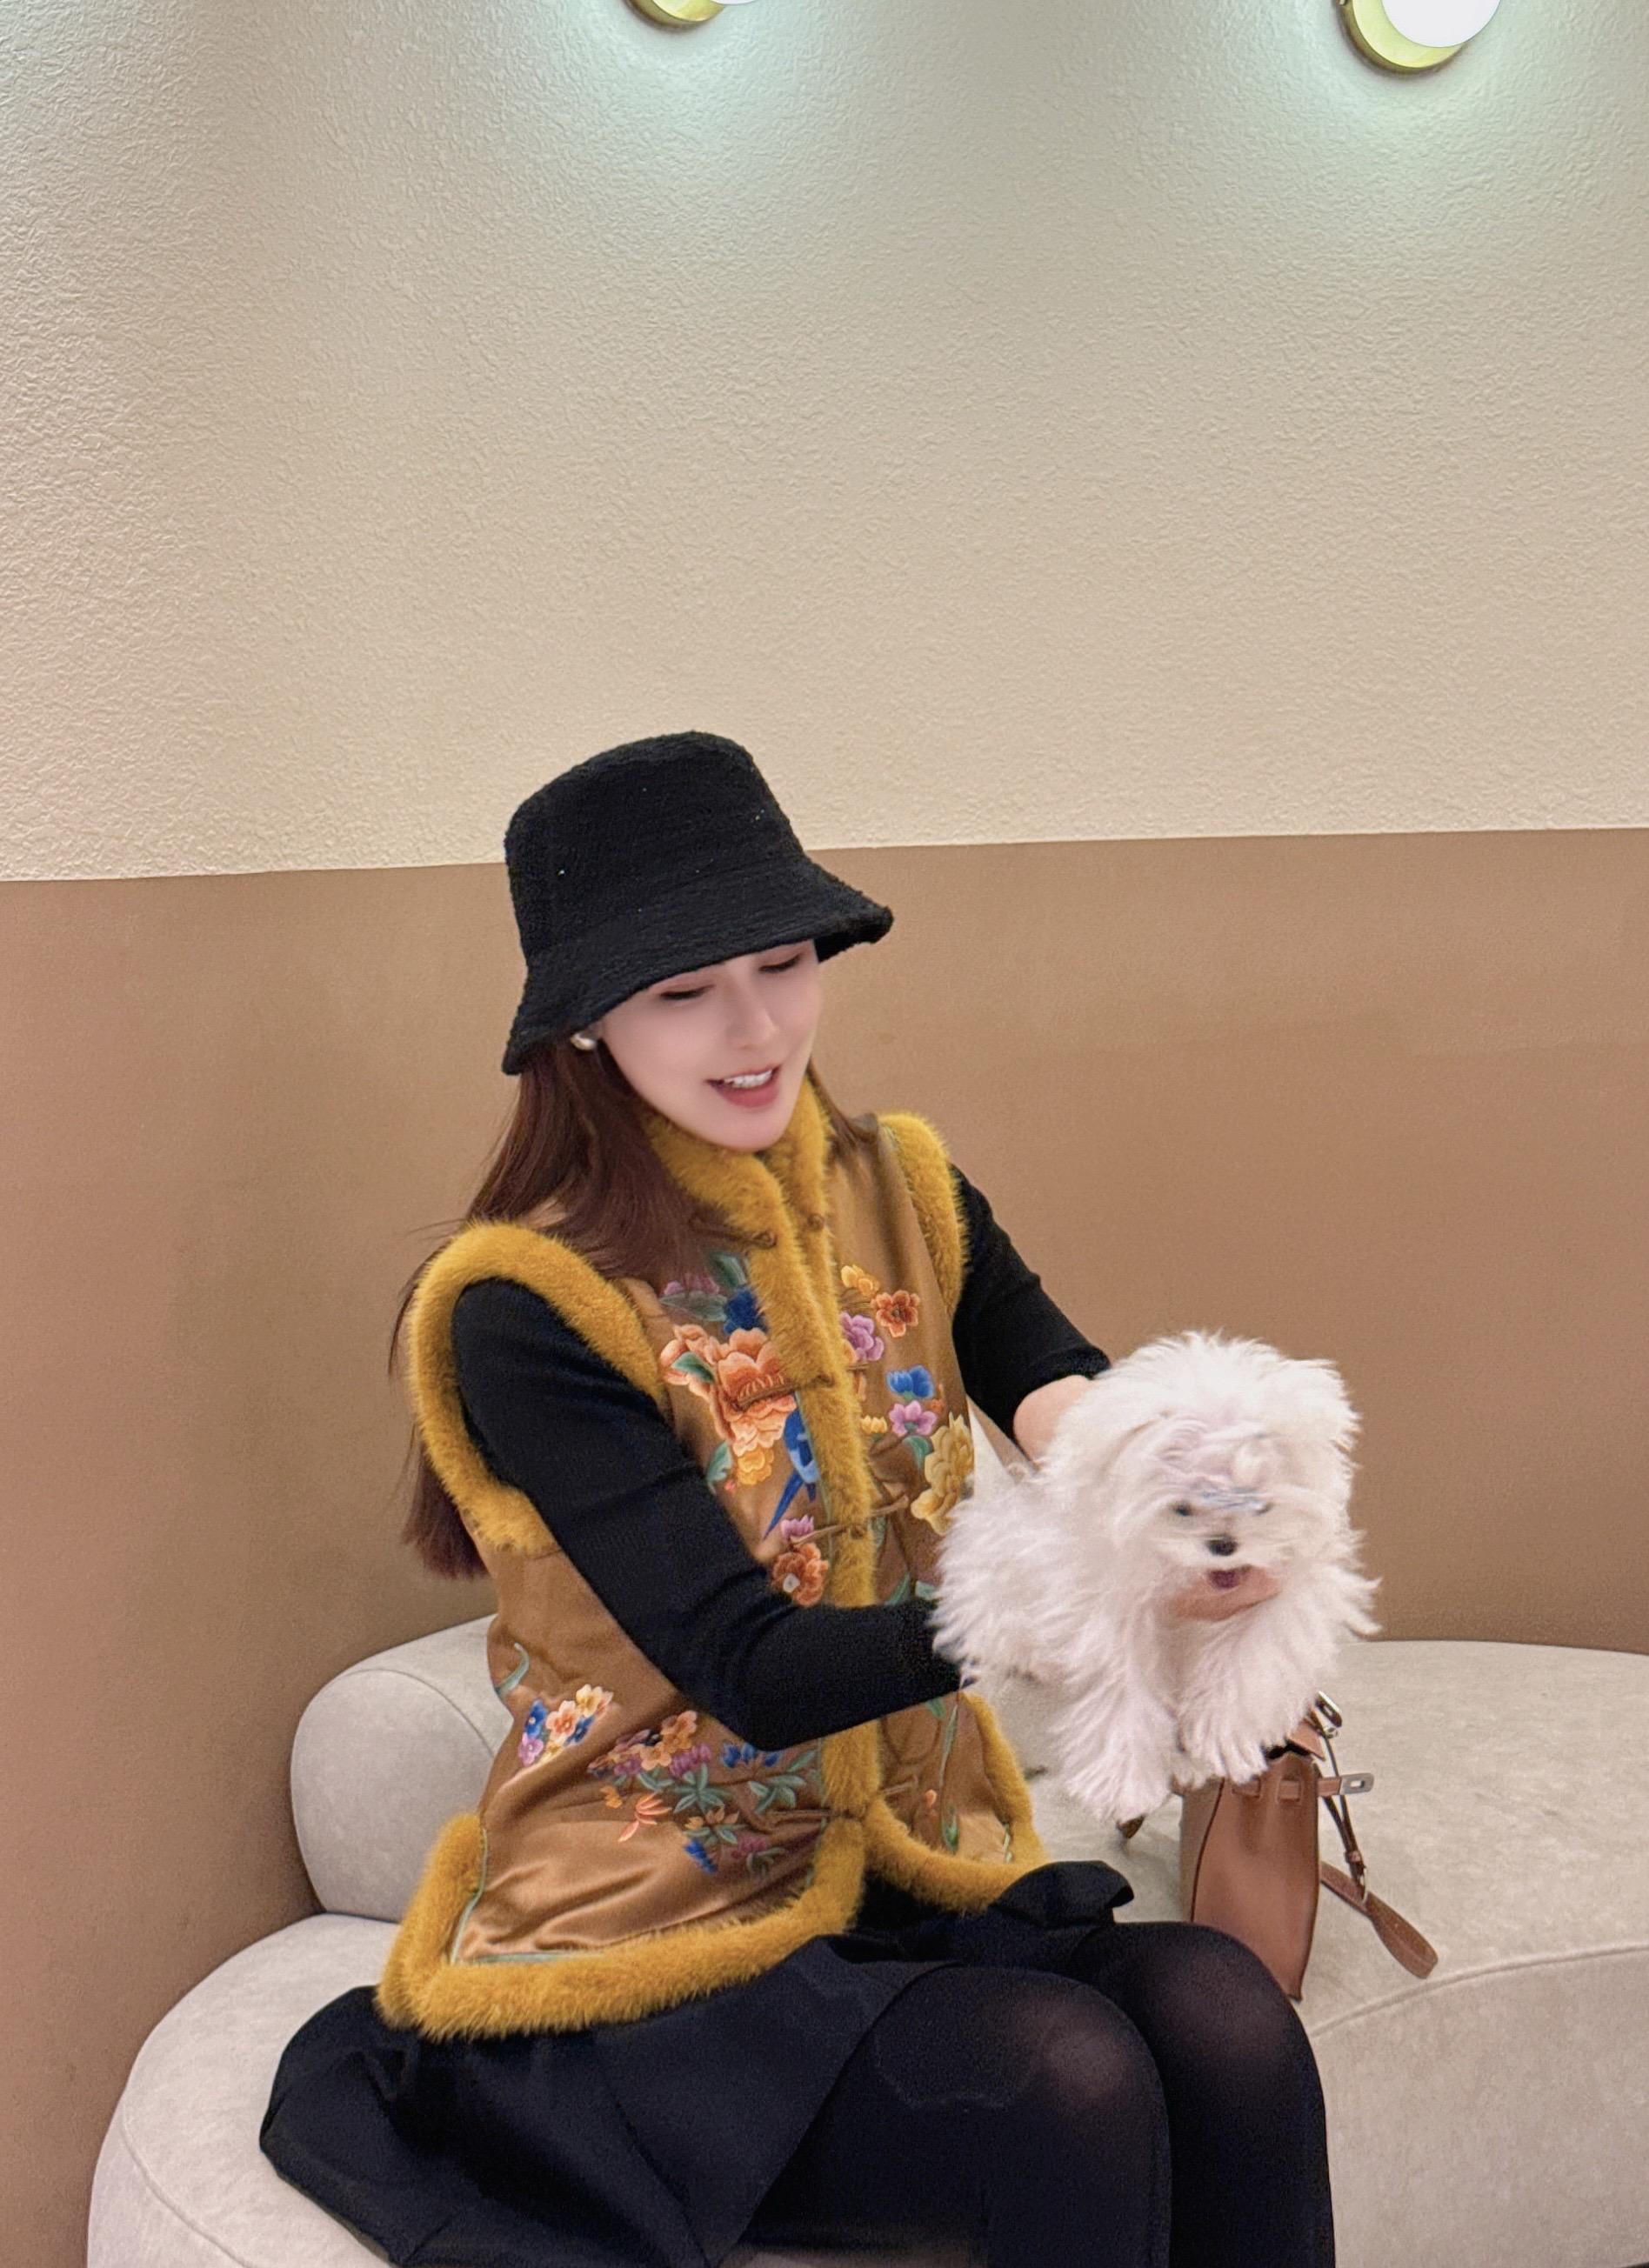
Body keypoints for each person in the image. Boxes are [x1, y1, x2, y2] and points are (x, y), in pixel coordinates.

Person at [260, 730, 1333, 2268]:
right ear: (584, 1026)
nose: (757, 1027)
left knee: (1230, 2023)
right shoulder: (526, 1304)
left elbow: (1056, 1385)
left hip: (911, 1861)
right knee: (1070, 2078)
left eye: (782, 963)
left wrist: (1185, 1473)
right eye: (685, 992)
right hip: (657, 1928)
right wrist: (1048, 1601)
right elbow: (749, 1671)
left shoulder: (909, 1187)